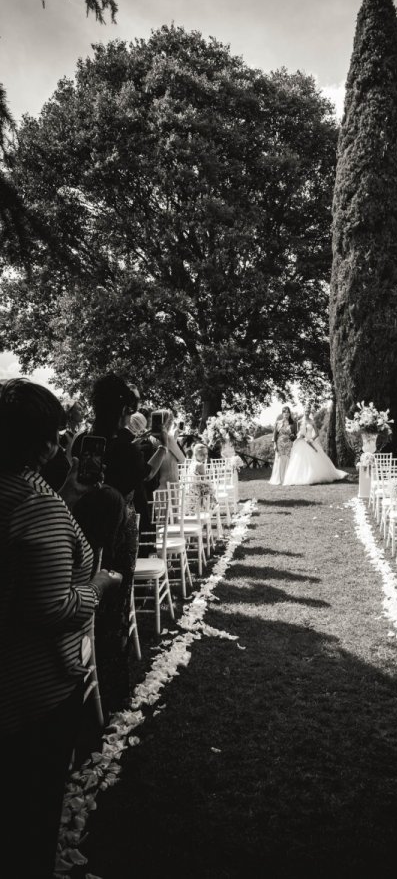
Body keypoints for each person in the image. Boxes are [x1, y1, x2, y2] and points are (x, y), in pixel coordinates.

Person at [0, 379, 121, 879]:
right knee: (29, 821)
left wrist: (65, 495)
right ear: (45, 442)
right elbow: (51, 608)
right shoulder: (34, 502)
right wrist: (97, 585)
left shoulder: (24, 493)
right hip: (34, 690)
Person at [72, 375, 170, 713]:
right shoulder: (125, 448)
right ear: (125, 409)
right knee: (114, 604)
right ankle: (113, 684)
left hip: (80, 532)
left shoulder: (81, 440)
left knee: (84, 600)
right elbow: (139, 481)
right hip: (119, 531)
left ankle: (82, 669)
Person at [283, 404, 347, 486]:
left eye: (308, 410)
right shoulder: (299, 422)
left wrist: (311, 439)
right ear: (304, 410)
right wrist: (299, 436)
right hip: (301, 443)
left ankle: (314, 476)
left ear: (310, 412)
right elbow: (297, 433)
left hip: (310, 442)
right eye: (306, 410)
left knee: (314, 459)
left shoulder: (312, 421)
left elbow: (317, 433)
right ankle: (300, 477)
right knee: (299, 461)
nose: (307, 412)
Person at [270, 405, 296, 485]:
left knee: (288, 460)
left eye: (288, 412)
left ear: (289, 414)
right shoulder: (278, 423)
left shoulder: (293, 423)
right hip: (280, 443)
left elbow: (295, 435)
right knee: (280, 461)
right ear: (282, 413)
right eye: (285, 412)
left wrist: (293, 436)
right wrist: (274, 444)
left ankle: (287, 479)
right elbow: (274, 435)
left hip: (289, 444)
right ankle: (279, 480)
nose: (286, 414)